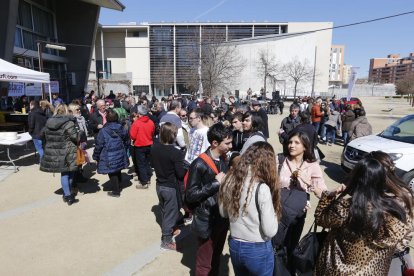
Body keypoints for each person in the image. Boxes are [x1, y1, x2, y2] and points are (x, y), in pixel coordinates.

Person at [312, 157, 411, 276]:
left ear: (356, 178)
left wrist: (329, 196)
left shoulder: (345, 208)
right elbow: (399, 240)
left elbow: (321, 218)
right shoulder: (393, 212)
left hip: (337, 271)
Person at [219, 142, 281, 276]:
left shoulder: (229, 179)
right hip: (257, 249)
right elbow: (270, 231)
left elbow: (223, 213)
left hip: (235, 244)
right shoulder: (261, 188)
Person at [185, 123, 233, 276]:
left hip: (222, 217)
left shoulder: (224, 159)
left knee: (216, 256)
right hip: (207, 220)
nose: (230, 146)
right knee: (204, 263)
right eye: (227, 143)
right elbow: (190, 195)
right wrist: (215, 184)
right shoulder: (199, 164)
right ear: (214, 143)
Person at [278, 131, 326, 275]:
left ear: (305, 146)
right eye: (290, 142)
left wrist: (308, 181)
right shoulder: (280, 160)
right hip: (278, 212)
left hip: (297, 215)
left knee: (292, 246)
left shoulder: (312, 166)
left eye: (296, 143)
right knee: (277, 247)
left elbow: (323, 194)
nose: (292, 145)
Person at [368, 151, 414, 275]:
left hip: (384, 262)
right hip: (402, 258)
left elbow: (384, 239)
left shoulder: (382, 198)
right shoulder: (405, 192)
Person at [151, 123, 186, 251]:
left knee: (164, 209)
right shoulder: (175, 153)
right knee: (170, 213)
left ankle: (173, 228)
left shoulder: (154, 148)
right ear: (173, 136)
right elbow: (180, 174)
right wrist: (185, 166)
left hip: (159, 184)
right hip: (170, 187)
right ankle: (166, 240)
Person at [40, 104, 79, 205]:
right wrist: (81, 133)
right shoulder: (68, 122)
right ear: (66, 111)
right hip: (67, 150)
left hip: (54, 151)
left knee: (64, 173)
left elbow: (42, 135)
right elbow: (75, 137)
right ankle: (68, 195)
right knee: (70, 172)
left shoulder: (48, 122)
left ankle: (67, 194)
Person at [93, 109, 129, 197]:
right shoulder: (121, 127)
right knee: (117, 168)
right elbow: (126, 139)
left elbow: (99, 145)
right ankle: (119, 183)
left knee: (112, 172)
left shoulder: (103, 131)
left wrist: (95, 156)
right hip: (119, 151)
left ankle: (116, 191)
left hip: (108, 154)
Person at [130, 105, 155, 188]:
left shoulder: (136, 123)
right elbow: (152, 133)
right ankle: (146, 178)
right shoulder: (151, 122)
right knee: (146, 162)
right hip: (149, 144)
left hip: (140, 146)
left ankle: (144, 182)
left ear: (139, 114)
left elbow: (132, 136)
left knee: (141, 164)